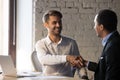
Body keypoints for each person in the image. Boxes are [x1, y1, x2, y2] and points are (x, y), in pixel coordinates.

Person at [35, 10, 88, 79]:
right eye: (54, 23)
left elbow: (79, 65)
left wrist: (84, 76)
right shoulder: (40, 44)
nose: (58, 25)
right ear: (46, 25)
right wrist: (67, 58)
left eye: (59, 22)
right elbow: (44, 59)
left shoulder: (71, 43)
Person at [78, 9, 120, 80]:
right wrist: (85, 63)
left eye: (95, 24)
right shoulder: (112, 42)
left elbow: (112, 76)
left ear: (101, 27)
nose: (94, 27)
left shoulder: (113, 46)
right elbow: (105, 68)